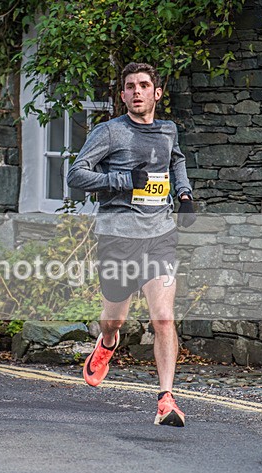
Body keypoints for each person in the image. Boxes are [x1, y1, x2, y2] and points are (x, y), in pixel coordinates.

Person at [67, 62, 196, 427]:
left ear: (156, 93)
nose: (136, 91)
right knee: (115, 318)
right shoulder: (109, 133)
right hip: (118, 237)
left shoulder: (168, 131)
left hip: (159, 237)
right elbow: (76, 174)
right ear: (122, 94)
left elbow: (176, 162)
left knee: (164, 317)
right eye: (129, 86)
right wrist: (125, 180)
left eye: (143, 85)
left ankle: (166, 400)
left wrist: (184, 194)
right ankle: (107, 342)